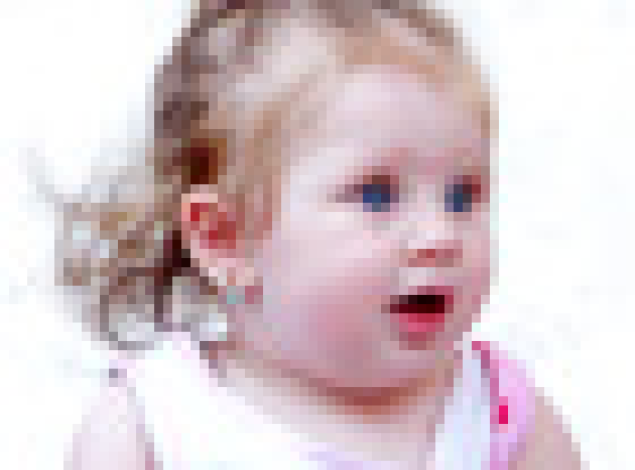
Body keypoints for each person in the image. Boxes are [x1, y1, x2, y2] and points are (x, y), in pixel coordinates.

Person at [64, 1, 582, 468]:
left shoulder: (501, 417)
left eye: (462, 196)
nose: (442, 235)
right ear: (227, 239)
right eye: (377, 195)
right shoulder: (154, 427)